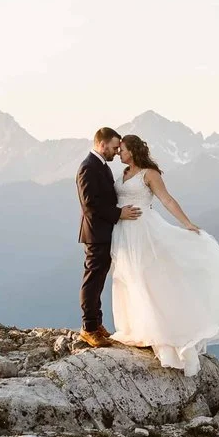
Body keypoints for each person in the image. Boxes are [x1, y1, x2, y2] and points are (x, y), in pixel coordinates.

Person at [106, 131, 219, 372]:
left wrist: (186, 223)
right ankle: (135, 327)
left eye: (122, 149)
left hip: (144, 230)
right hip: (123, 233)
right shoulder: (122, 174)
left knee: (147, 278)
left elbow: (167, 200)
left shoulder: (149, 174)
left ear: (133, 151)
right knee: (127, 277)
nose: (118, 153)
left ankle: (163, 332)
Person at [76, 126, 139, 345]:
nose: (115, 152)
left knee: (99, 278)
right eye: (113, 147)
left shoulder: (101, 166)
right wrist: (119, 213)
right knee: (93, 279)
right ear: (102, 144)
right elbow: (90, 205)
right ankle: (88, 327)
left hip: (105, 232)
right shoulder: (88, 168)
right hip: (95, 233)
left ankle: (96, 323)